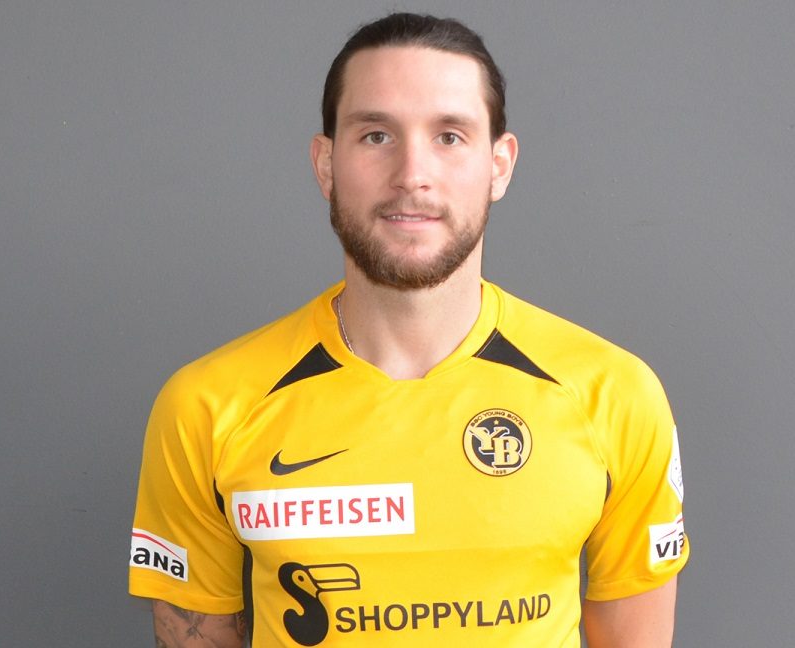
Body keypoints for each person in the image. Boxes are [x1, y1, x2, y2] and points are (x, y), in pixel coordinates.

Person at [129, 12, 689, 648]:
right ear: (326, 164)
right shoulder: (207, 405)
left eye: (449, 136)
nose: (411, 174)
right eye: (375, 135)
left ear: (500, 165)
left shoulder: (613, 394)